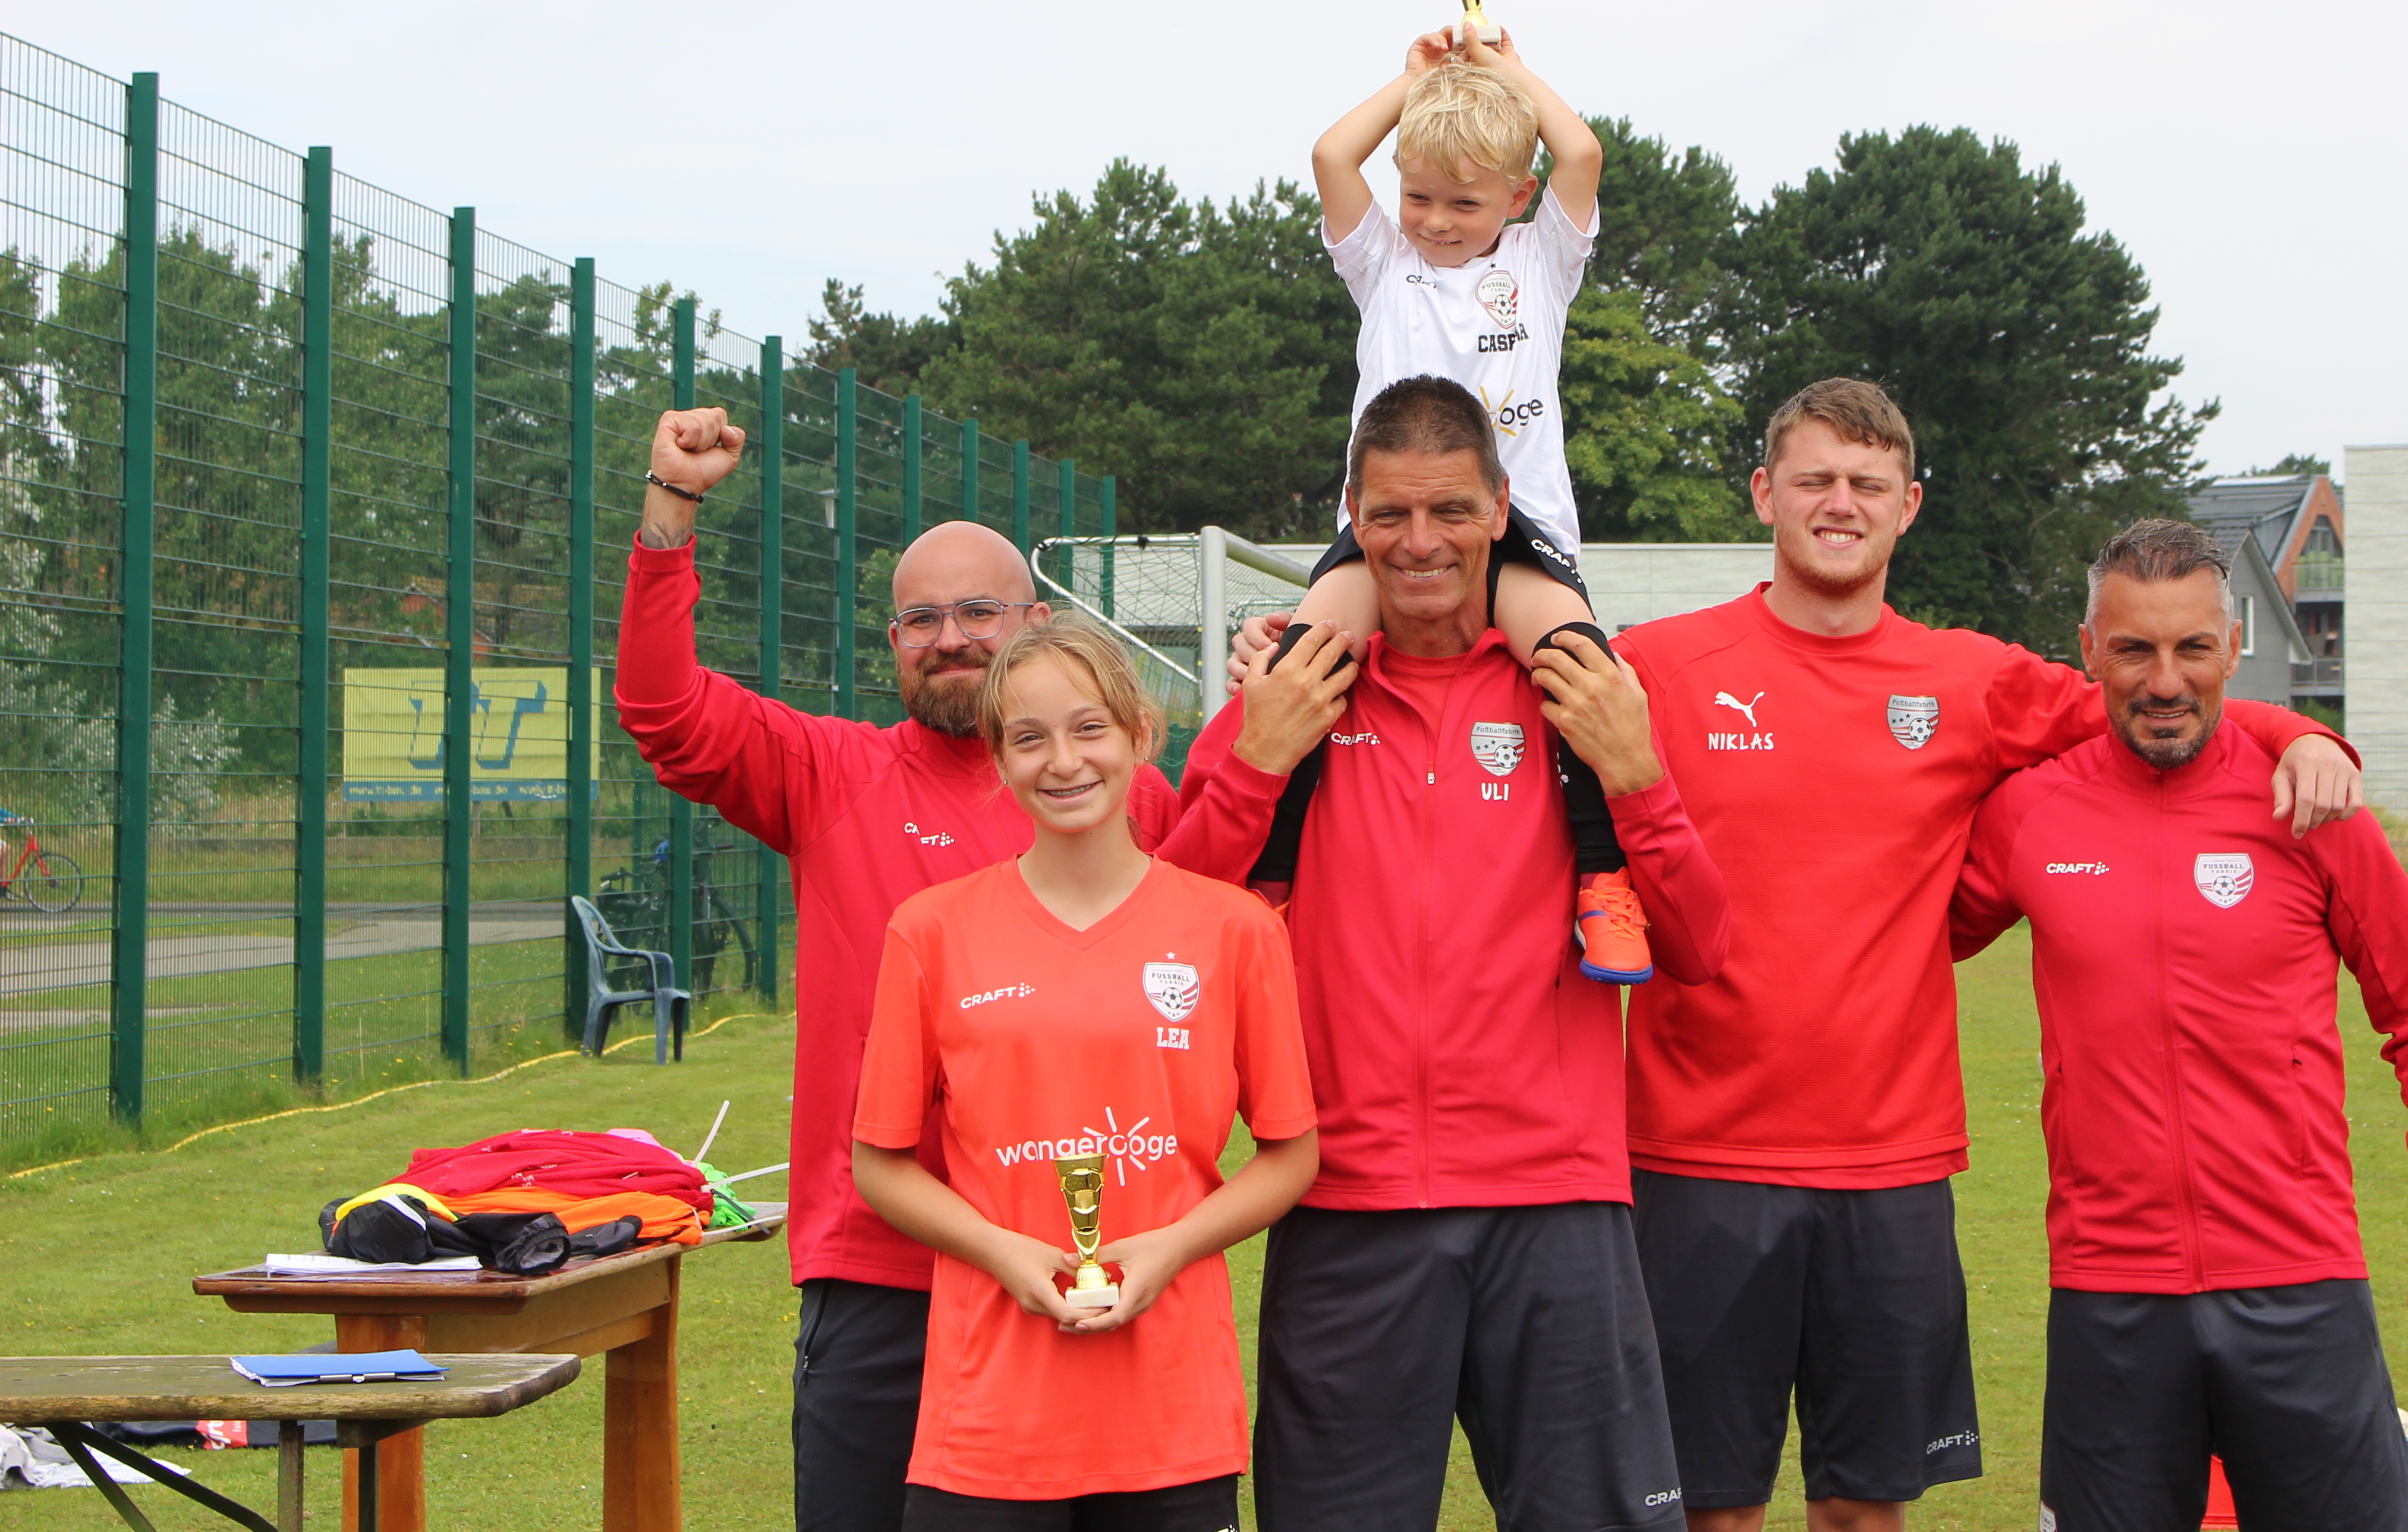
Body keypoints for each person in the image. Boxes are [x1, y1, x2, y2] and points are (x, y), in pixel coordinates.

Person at [1601, 380, 2371, 1532]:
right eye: (1813, 479)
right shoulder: (1658, 665)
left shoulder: (1968, 680)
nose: (1839, 504)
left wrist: (2299, 726)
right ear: (1765, 493)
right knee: (1713, 1511)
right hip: (1698, 1159)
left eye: (1867, 484)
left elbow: (2153, 693)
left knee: (1867, 1509)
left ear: (1908, 505)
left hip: (1893, 1164)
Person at [1163, 374, 1732, 1532]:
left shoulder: (1580, 693)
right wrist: (1258, 764)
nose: (1420, 544)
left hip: (1556, 1205)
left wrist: (1640, 781)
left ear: (1501, 509)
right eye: (1389, 516)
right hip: (1345, 1204)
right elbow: (1170, 929)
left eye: (1451, 511)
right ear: (1351, 518)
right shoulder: (1291, 694)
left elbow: (1706, 948)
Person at [613, 405, 1179, 1532]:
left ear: (1035, 620)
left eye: (978, 609)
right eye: (919, 618)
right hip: (884, 1274)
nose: (951, 636)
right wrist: (670, 513)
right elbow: (664, 711)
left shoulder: (1129, 798)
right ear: (891, 645)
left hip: (1083, 1263)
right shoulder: (832, 774)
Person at [1951, 518, 2408, 1532]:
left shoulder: (2312, 807)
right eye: (2134, 649)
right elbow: (1895, 943)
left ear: (2233, 646)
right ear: (2089, 649)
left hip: (2300, 1279)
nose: (2164, 680)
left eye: (2193, 648)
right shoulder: (2029, 815)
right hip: (2111, 1290)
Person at [851, 615, 1317, 1532]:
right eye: (1028, 738)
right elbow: (881, 1164)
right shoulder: (931, 931)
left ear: (1142, 737)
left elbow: (1290, 1154)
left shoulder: (1235, 930)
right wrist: (1004, 1253)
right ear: (998, 757)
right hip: (987, 1424)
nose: (1063, 762)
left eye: (1089, 728)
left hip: (1171, 1416)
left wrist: (1170, 1246)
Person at [1257, 25, 1655, 982]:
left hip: (1518, 530)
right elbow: (1329, 154)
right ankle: (1269, 882)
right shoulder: (1380, 264)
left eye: (1463, 201)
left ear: (1516, 197)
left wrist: (1506, 77)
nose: (1435, 220)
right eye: (1419, 195)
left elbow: (1583, 151)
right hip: (1386, 528)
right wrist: (1418, 85)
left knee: (1578, 670)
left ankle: (1602, 881)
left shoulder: (1540, 264)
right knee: (1297, 667)